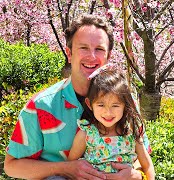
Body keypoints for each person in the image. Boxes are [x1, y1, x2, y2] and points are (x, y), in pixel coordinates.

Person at [4, 14, 150, 180]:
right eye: (83, 48)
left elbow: (141, 155)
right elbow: (12, 166)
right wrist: (66, 168)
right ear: (69, 53)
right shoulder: (40, 107)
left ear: (109, 56)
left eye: (99, 49)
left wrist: (137, 175)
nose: (92, 56)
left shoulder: (125, 100)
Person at [68, 69, 155, 179]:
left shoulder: (132, 132)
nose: (108, 112)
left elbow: (148, 166)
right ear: (89, 105)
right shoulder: (86, 134)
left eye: (115, 106)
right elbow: (71, 167)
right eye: (101, 105)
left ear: (125, 105)